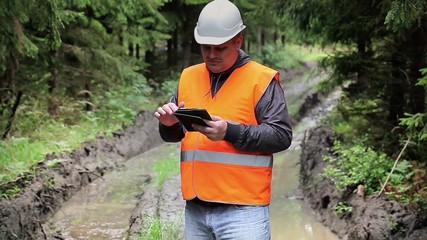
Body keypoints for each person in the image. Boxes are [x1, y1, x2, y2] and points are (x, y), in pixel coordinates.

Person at [154, 0, 292, 239]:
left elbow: (281, 136)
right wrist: (169, 125)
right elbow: (174, 134)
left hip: (243, 212)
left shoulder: (261, 79)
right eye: (206, 47)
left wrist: (229, 131)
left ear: (238, 41)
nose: (211, 54)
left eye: (220, 48)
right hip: (196, 209)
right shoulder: (188, 76)